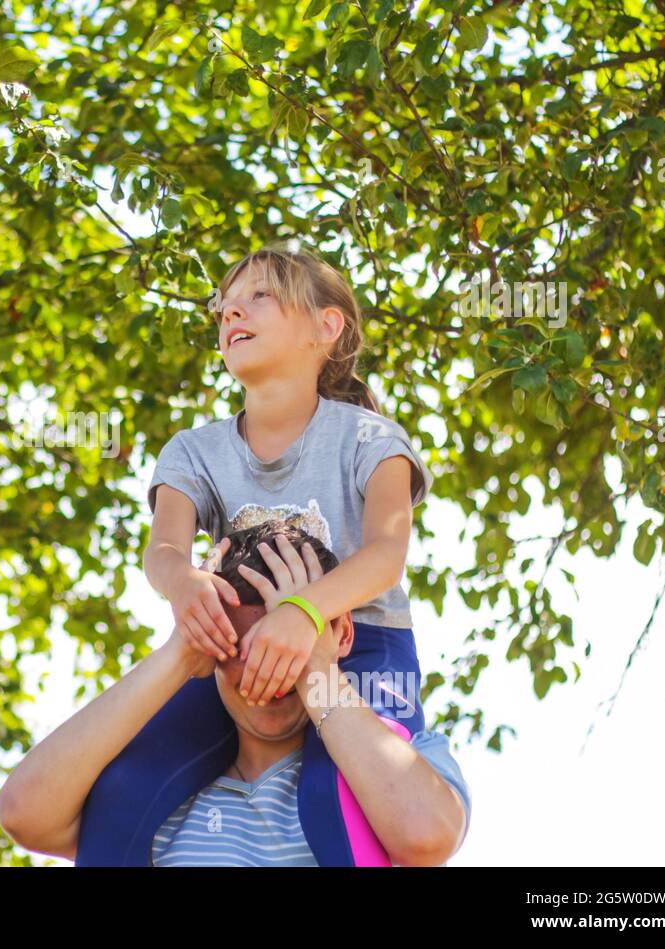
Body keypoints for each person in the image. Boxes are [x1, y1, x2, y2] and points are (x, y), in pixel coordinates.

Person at [78, 244, 437, 865]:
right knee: (122, 794)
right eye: (223, 307)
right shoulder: (193, 451)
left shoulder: (373, 439)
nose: (230, 312)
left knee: (333, 797)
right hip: (235, 654)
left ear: (326, 327)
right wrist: (183, 584)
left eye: (259, 296)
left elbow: (385, 554)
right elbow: (163, 549)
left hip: (365, 647)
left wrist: (302, 611)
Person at [0, 523, 471, 866]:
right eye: (239, 645)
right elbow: (24, 812)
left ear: (342, 635)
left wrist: (317, 668)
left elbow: (427, 837)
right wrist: (180, 654)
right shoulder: (151, 795)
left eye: (283, 645)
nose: (263, 668)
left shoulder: (406, 760)